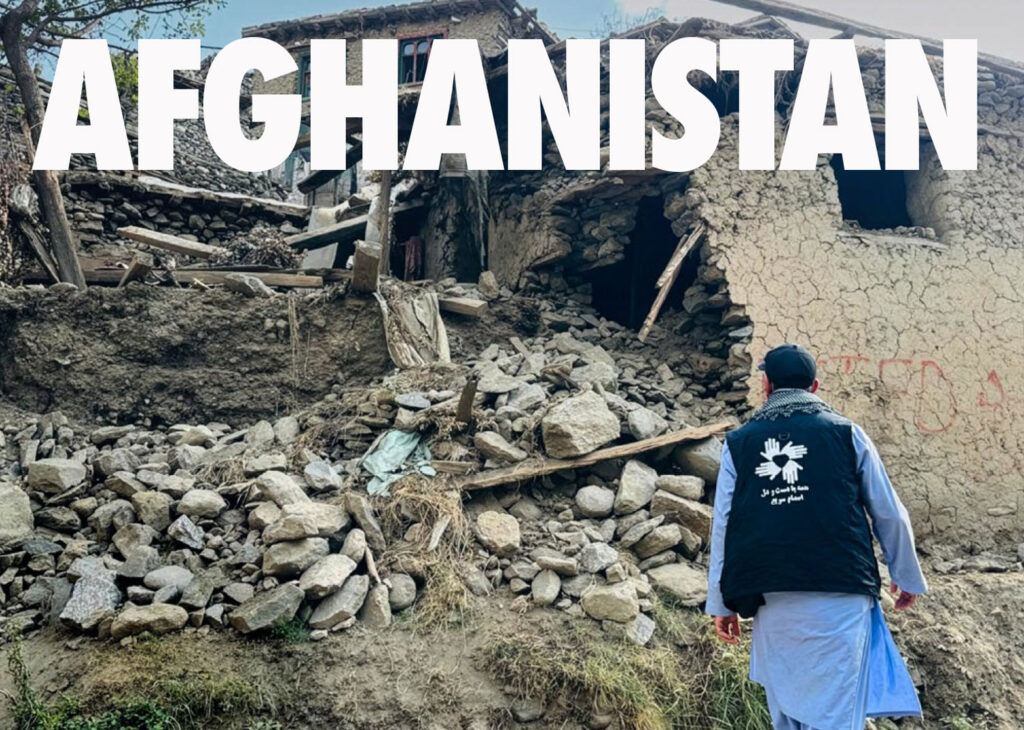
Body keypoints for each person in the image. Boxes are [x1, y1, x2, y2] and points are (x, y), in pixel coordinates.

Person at [705, 343, 928, 730]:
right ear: (815, 385)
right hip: (841, 594)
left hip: (772, 597)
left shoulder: (740, 445)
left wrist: (720, 601)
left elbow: (724, 523)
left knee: (787, 710)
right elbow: (889, 512)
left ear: (766, 386)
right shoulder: (847, 434)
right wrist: (905, 576)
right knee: (838, 713)